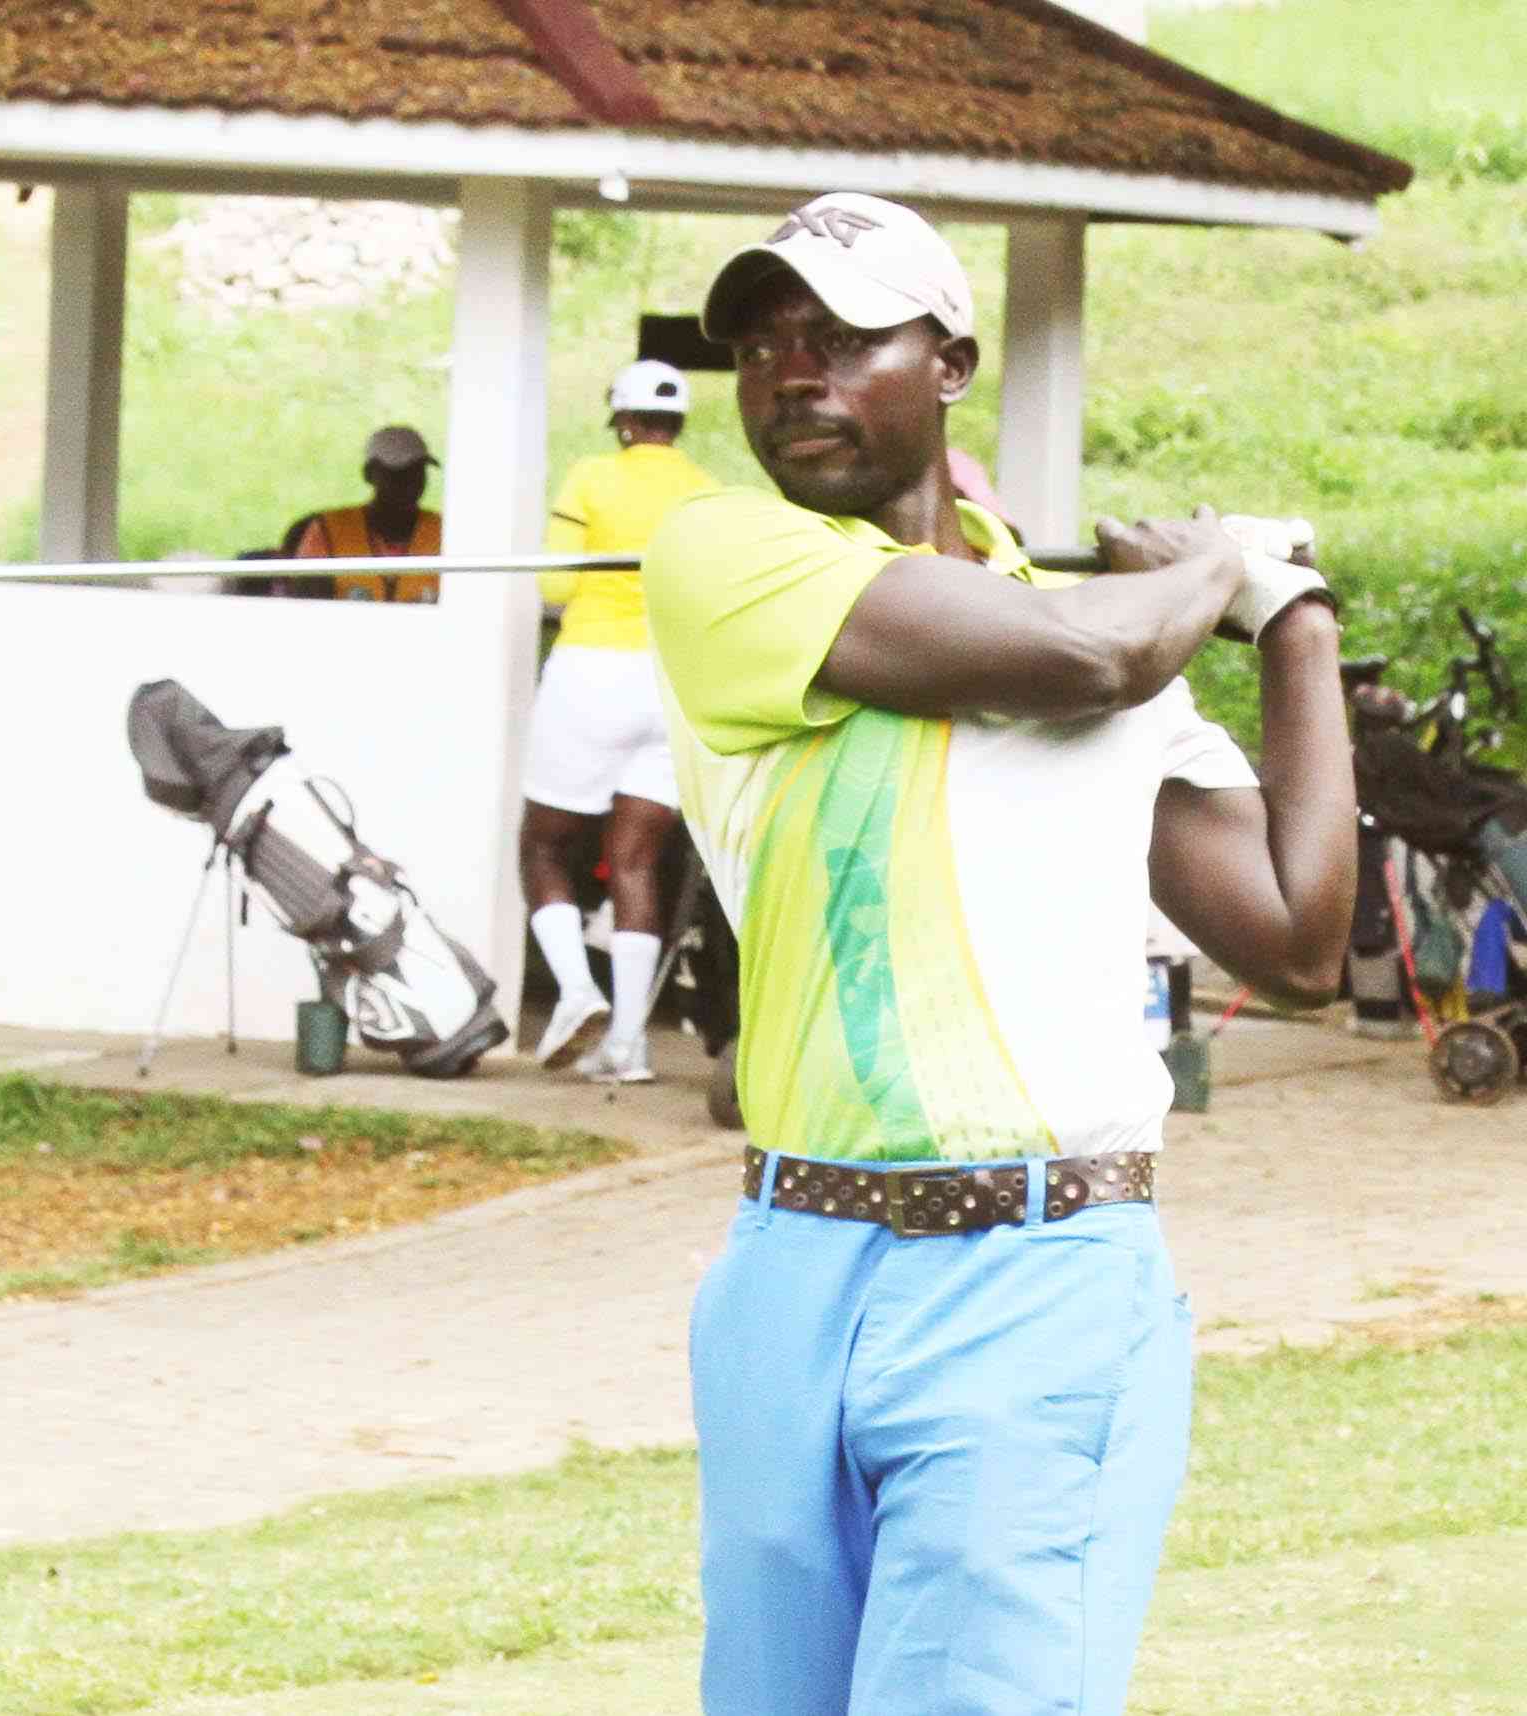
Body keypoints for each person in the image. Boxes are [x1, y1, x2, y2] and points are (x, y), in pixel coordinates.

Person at [643, 192, 1356, 1716]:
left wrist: (1297, 629)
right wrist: (1220, 567)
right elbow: (1086, 656)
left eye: (840, 335)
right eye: (762, 344)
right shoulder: (725, 557)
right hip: (790, 1270)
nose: (791, 371)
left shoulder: (1115, 646)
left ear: (947, 360)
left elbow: (1298, 940)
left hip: (1035, 1275)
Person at [522, 360, 720, 1081]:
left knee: (544, 848)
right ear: (678, 425)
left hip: (592, 672)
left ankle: (576, 992)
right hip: (668, 681)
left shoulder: (591, 477)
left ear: (623, 422)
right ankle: (626, 1047)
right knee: (636, 858)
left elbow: (555, 583)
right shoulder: (706, 495)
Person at [255, 425, 444, 602]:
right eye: (397, 473)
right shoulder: (326, 531)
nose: (409, 482)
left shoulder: (445, 532)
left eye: (417, 471)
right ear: (369, 474)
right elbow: (307, 608)